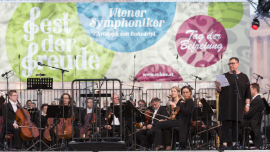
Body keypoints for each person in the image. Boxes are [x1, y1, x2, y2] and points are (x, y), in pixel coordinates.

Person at [216, 57, 251, 150]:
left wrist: (247, 104)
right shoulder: (223, 76)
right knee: (226, 123)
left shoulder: (244, 77)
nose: (231, 65)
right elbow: (220, 91)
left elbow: (248, 93)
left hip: (238, 103)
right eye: (229, 64)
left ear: (238, 64)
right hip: (225, 104)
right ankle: (224, 144)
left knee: (236, 123)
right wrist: (218, 86)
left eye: (233, 63)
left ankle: (235, 143)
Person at [154, 86, 194, 150]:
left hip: (182, 123)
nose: (185, 94)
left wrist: (179, 105)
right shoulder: (185, 101)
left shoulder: (189, 101)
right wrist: (167, 119)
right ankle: (167, 145)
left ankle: (159, 145)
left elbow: (185, 112)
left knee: (158, 125)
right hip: (178, 121)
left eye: (187, 92)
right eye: (183, 92)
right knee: (163, 126)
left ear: (190, 92)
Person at [239, 83, 265, 149]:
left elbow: (250, 114)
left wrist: (240, 116)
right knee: (237, 122)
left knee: (235, 123)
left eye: (250, 89)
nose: (248, 91)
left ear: (255, 89)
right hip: (251, 120)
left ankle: (236, 142)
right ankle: (241, 142)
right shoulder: (257, 99)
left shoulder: (257, 100)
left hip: (252, 122)